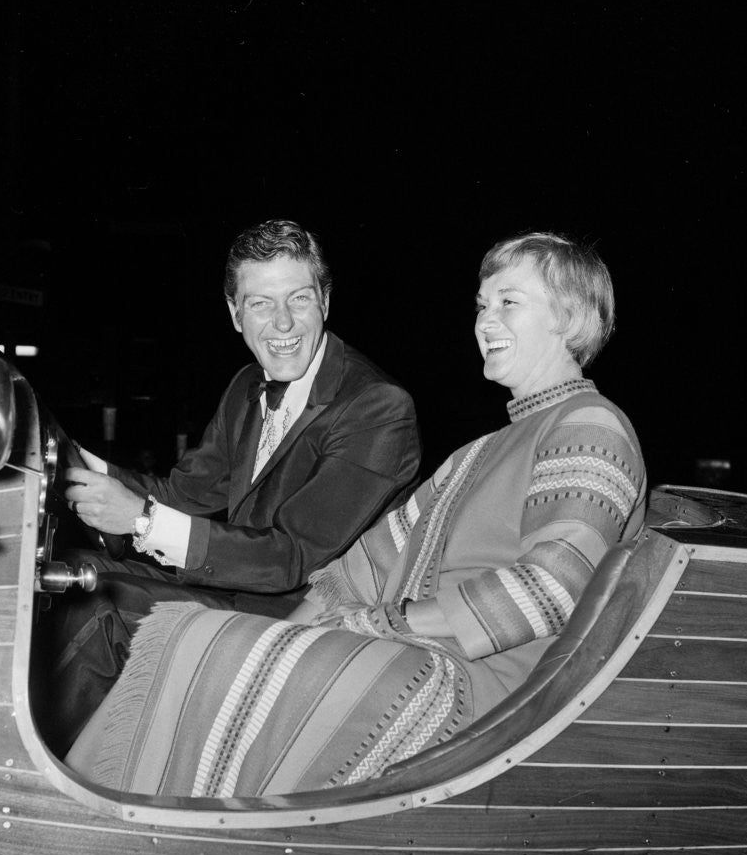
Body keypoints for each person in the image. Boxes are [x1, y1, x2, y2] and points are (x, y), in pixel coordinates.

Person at [65, 231, 647, 797]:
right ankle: (108, 807)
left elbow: (550, 590)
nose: (484, 321)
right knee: (194, 633)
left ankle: (104, 812)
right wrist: (287, 633)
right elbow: (359, 570)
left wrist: (381, 624)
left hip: (483, 694)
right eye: (481, 305)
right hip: (417, 653)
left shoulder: (589, 424)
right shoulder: (480, 451)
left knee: (192, 638)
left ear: (570, 317)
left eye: (508, 303)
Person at [47, 219, 420, 751]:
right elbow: (184, 494)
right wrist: (81, 467)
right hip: (239, 592)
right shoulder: (248, 385)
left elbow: (291, 557)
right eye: (260, 303)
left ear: (325, 301)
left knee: (96, 607)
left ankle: (47, 775)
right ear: (234, 313)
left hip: (311, 621)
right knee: (72, 575)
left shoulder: (377, 407)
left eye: (299, 299)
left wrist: (141, 521)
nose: (283, 322)